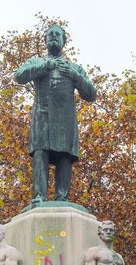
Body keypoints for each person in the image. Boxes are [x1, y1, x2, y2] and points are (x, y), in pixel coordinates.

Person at [14, 24, 97, 204]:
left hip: (65, 119)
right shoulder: (38, 62)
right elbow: (19, 76)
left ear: (64, 41)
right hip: (42, 117)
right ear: (45, 41)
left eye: (57, 34)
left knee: (65, 156)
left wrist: (76, 76)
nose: (53, 36)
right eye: (50, 34)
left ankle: (62, 198)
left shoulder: (74, 68)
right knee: (40, 153)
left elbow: (91, 94)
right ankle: (39, 196)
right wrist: (45, 65)